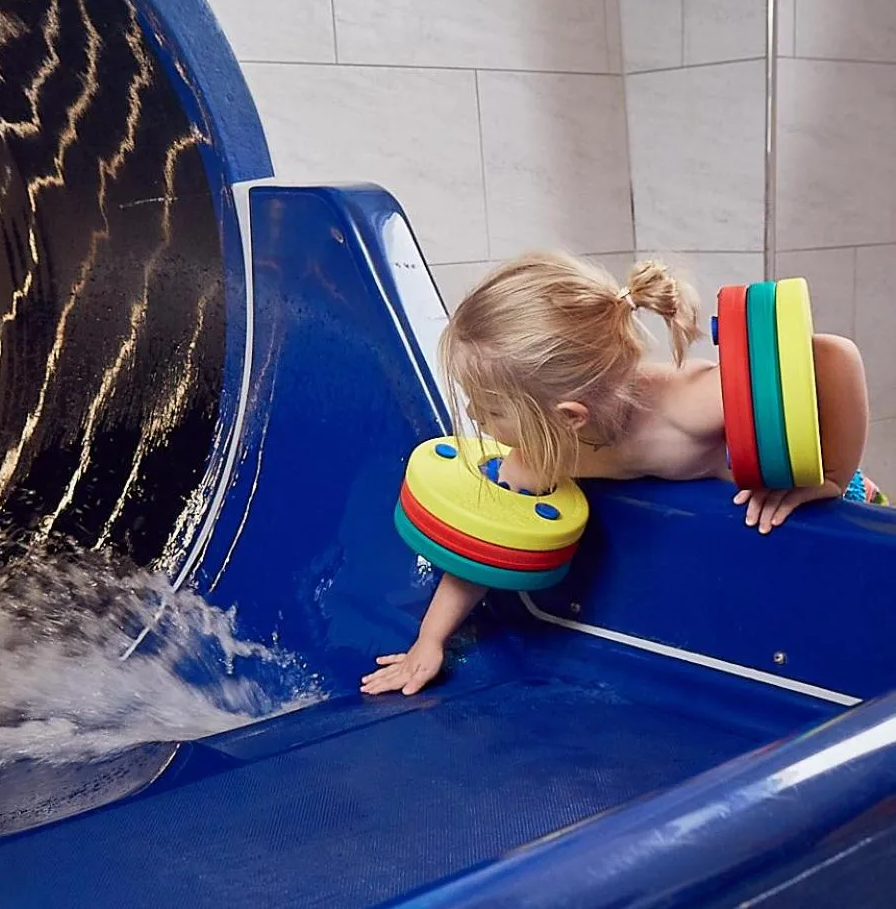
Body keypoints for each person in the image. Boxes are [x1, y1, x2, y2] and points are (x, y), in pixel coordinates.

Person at [362, 250, 876, 698]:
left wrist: (829, 476)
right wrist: (429, 641)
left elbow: (834, 355)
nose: (474, 416)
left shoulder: (687, 405)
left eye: (489, 408)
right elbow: (490, 544)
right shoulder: (540, 453)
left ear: (567, 416)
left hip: (839, 502)